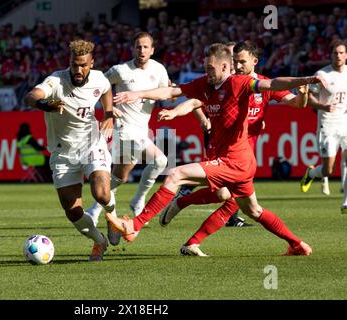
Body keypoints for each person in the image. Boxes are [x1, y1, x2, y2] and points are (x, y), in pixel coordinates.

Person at [106, 43, 326, 256]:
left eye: (210, 68)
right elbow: (172, 91)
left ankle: (134, 225)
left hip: (234, 160)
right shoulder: (205, 84)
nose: (207, 72)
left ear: (223, 67)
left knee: (176, 174)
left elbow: (274, 84)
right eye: (205, 67)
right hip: (237, 161)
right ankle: (297, 244)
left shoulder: (239, 83)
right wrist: (139, 94)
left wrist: (304, 80)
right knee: (254, 211)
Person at [153, 41, 309, 253]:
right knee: (227, 198)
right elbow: (194, 101)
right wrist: (186, 114)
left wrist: (303, 92)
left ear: (255, 61)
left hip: (244, 156)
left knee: (230, 200)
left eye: (242, 61)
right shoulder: (230, 85)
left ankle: (188, 224)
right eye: (235, 61)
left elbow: (298, 104)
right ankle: (186, 217)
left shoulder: (264, 85)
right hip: (224, 150)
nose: (237, 65)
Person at [24, 40, 116, 261]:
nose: (78, 70)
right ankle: (99, 241)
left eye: (83, 65)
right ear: (69, 63)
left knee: (101, 192)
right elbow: (30, 97)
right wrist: (47, 105)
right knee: (72, 211)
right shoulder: (56, 80)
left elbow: (106, 90)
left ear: (91, 63)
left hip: (91, 144)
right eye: (75, 65)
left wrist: (109, 114)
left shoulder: (98, 78)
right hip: (63, 152)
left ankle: (113, 217)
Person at [86, 32, 169, 245]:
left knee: (120, 177)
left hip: (142, 131)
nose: (142, 51)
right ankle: (137, 201)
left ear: (152, 49)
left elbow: (170, 92)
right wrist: (110, 111)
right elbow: (97, 88)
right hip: (124, 131)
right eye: (138, 47)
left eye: (145, 47)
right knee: (159, 160)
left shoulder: (158, 70)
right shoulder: (121, 71)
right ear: (133, 49)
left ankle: (97, 209)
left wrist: (163, 103)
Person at [300, 39, 347, 214]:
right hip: (327, 125)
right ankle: (311, 174)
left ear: (346, 55)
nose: (339, 56)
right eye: (335, 53)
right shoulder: (322, 75)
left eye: (342, 52)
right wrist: (322, 106)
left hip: (345, 123)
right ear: (330, 55)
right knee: (328, 170)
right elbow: (309, 99)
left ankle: (345, 203)